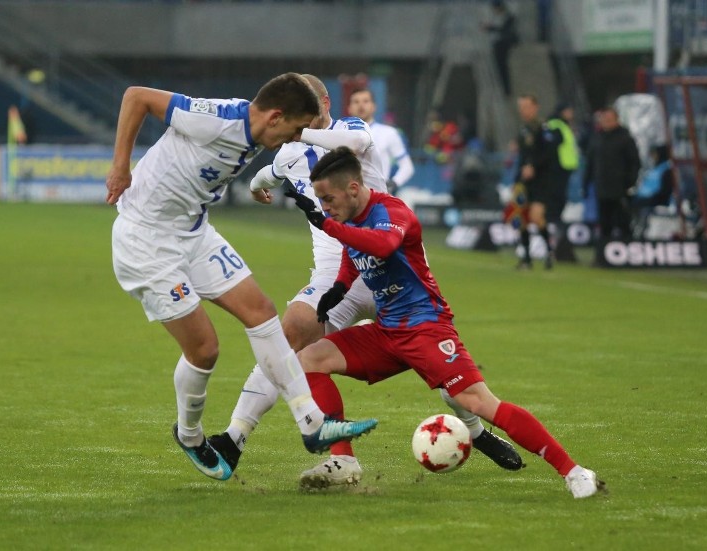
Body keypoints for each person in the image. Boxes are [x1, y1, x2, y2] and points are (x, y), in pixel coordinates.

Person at [209, 75, 521, 490]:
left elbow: (351, 147)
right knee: (289, 337)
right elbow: (271, 171)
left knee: (451, 376)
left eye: (307, 107)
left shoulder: (352, 130)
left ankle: (475, 430)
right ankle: (240, 439)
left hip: (393, 267)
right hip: (335, 277)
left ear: (323, 103)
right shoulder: (288, 155)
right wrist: (257, 185)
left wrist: (303, 131)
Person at [285, 146, 606, 499]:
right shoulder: (350, 220)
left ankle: (574, 471)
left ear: (353, 188)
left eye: (328, 198)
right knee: (311, 359)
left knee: (478, 402)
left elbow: (384, 245)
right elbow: (353, 255)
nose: (325, 206)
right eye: (320, 200)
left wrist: (328, 226)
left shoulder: (392, 212)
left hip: (426, 327)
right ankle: (343, 461)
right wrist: (341, 287)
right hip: (388, 331)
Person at [105, 73, 378, 481]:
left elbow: (269, 172)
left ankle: (311, 422)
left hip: (194, 233)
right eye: (295, 129)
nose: (297, 138)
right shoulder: (214, 118)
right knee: (205, 350)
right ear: (275, 117)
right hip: (147, 241)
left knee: (263, 312)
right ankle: (191, 434)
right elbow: (135, 96)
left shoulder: (266, 139)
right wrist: (121, 168)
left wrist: (258, 185)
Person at [516, 94, 561, 269]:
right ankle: (526, 258)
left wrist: (533, 167)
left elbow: (549, 154)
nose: (524, 111)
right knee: (521, 218)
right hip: (524, 181)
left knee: (536, 216)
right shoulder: (523, 130)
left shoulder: (545, 128)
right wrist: (517, 179)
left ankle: (549, 251)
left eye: (527, 106)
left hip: (542, 181)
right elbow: (522, 157)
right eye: (521, 107)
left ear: (535, 107)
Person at [583, 107, 641, 240]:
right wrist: (585, 184)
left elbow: (634, 163)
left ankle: (627, 249)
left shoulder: (625, 138)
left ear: (617, 120)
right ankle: (605, 253)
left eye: (609, 119)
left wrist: (629, 182)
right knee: (604, 223)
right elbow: (590, 164)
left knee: (623, 221)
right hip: (601, 189)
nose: (607, 122)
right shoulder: (596, 139)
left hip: (620, 189)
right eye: (604, 119)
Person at [347, 88, 415, 193]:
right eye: (356, 102)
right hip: (348, 198)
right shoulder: (340, 133)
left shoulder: (389, 133)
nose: (361, 105)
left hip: (378, 198)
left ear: (374, 107)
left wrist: (394, 183)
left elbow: (407, 166)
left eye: (365, 101)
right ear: (349, 108)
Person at [545, 102, 581, 225]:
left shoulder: (563, 125)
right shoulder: (556, 125)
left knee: (560, 196)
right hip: (558, 167)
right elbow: (551, 146)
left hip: (564, 167)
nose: (571, 113)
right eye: (569, 110)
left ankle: (555, 220)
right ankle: (553, 221)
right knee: (556, 196)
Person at [482, 0, 519, 97]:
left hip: (503, 44)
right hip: (498, 43)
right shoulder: (497, 17)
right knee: (498, 66)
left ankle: (506, 89)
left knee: (502, 66)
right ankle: (501, 88)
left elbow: (502, 29)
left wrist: (490, 28)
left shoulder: (508, 17)